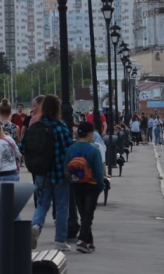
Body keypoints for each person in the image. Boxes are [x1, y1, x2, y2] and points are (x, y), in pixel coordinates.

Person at [22, 94, 74, 251]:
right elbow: (69, 149)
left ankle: (36, 226)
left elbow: (22, 147)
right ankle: (60, 241)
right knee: (62, 206)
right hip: (60, 173)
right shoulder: (61, 127)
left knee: (42, 203)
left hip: (42, 172)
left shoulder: (35, 126)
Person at [65, 121, 105, 254]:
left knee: (83, 213)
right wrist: (101, 185)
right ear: (89, 134)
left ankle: (89, 242)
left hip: (76, 185)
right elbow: (99, 171)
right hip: (92, 185)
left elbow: (66, 169)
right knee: (88, 214)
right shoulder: (94, 150)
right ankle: (82, 240)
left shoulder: (70, 150)